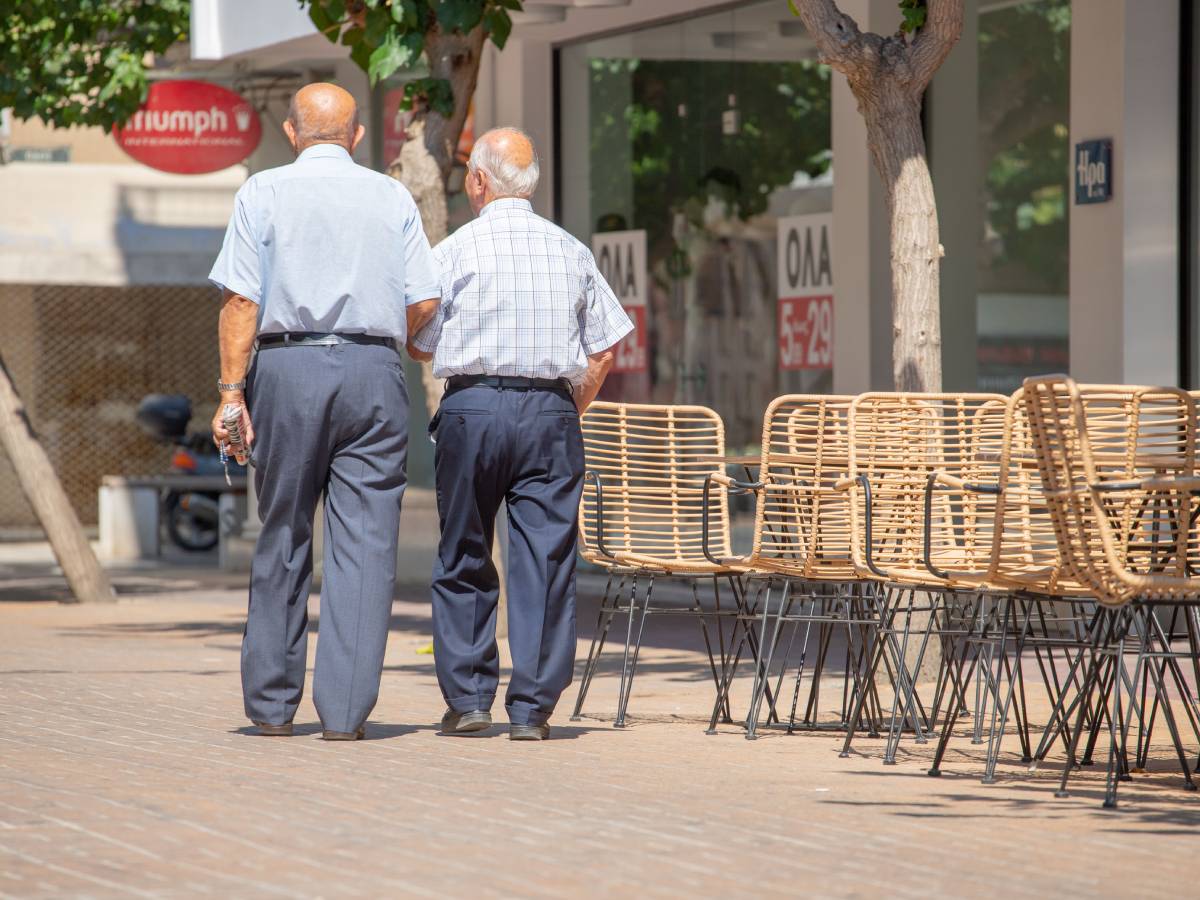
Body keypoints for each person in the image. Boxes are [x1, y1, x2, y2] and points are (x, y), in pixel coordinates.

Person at [209, 83, 440, 740]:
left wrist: (232, 393)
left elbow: (240, 304)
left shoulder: (262, 192)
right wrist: (385, 333)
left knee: (283, 529)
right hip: (373, 371)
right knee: (366, 545)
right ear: (358, 137)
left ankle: (274, 707)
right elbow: (424, 301)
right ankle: (343, 715)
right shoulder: (391, 195)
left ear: (291, 133)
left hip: (286, 368)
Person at [409, 127, 633, 741]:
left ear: (479, 181)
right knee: (546, 559)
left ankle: (470, 698)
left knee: (463, 552)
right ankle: (532, 710)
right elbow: (608, 344)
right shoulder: (571, 250)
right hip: (549, 413)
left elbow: (419, 342)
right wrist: (569, 405)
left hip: (473, 408)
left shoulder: (452, 251)